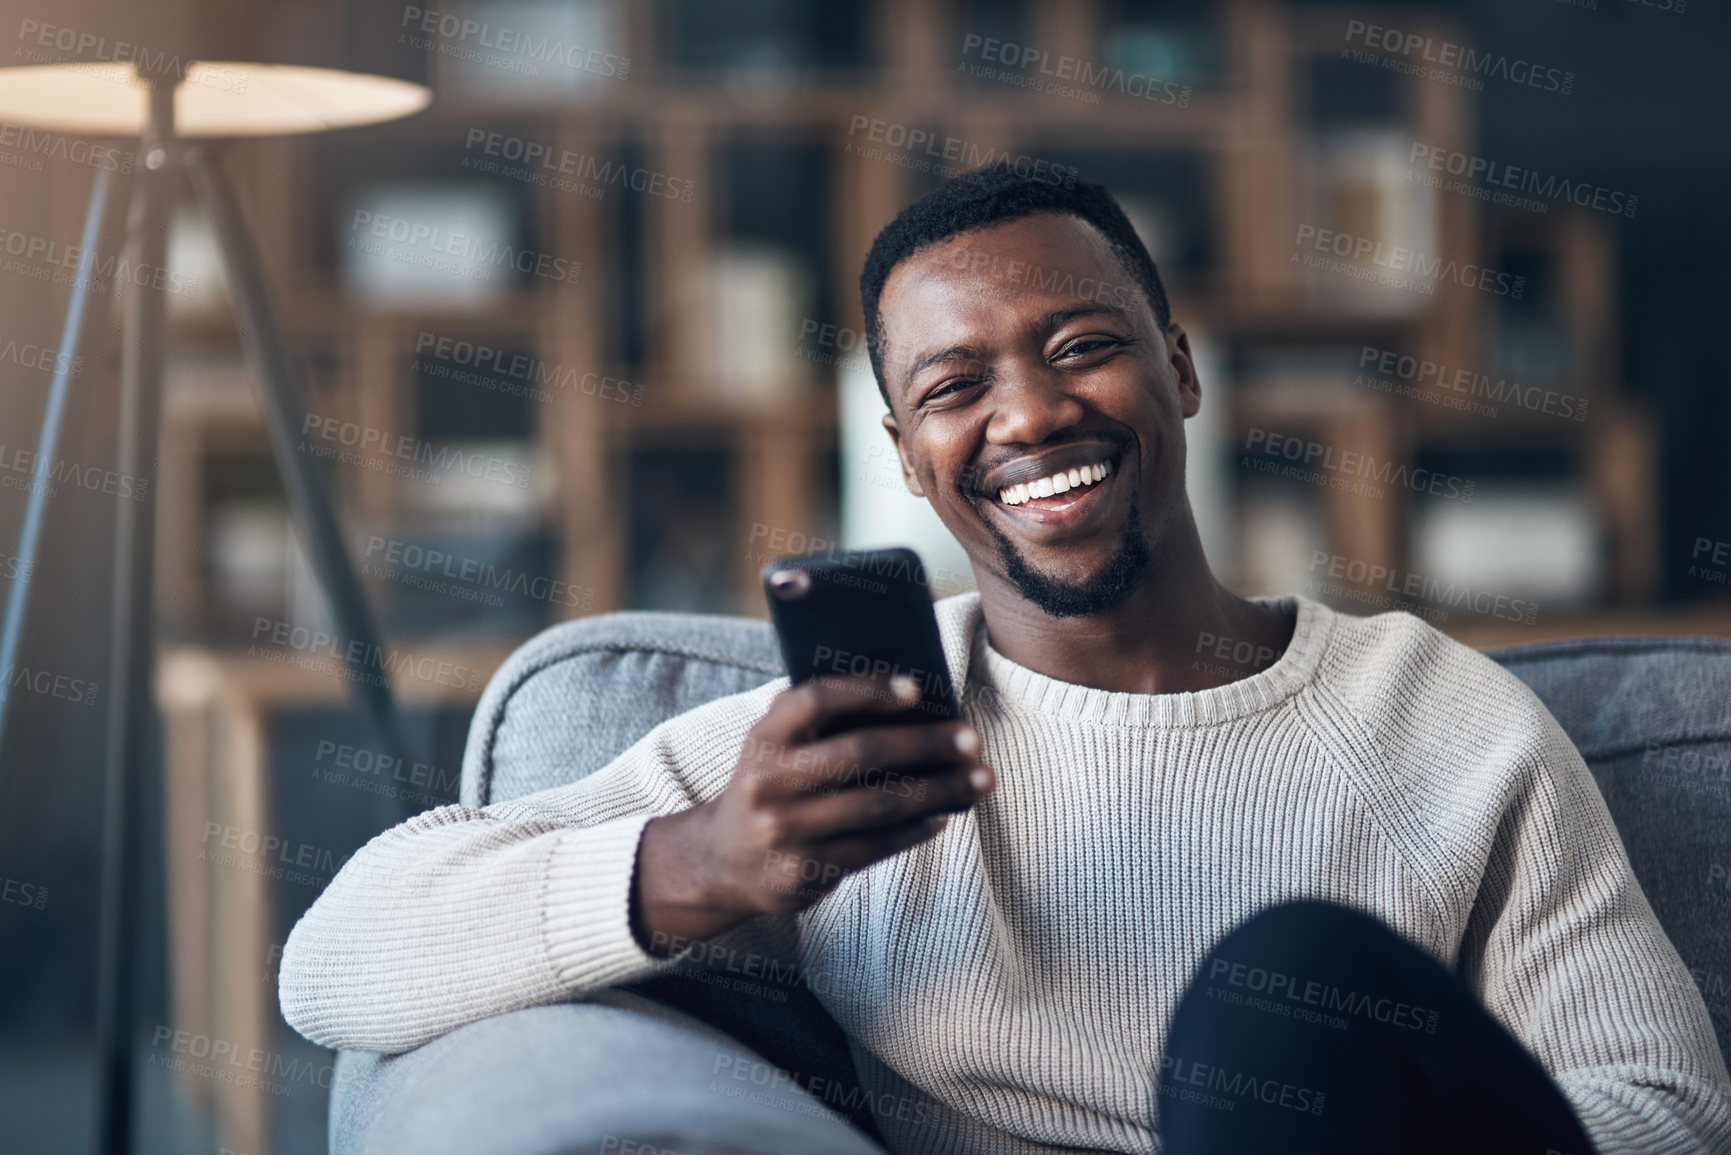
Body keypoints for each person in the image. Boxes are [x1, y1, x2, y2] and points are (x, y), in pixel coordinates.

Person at [281, 162, 1731, 1154]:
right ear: (911, 461)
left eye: (1082, 345)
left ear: (1179, 368)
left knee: (1285, 993)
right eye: (956, 387)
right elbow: (337, 961)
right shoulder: (842, 756)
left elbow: (1665, 1106)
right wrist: (704, 860)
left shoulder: (1445, 725)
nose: (1029, 416)